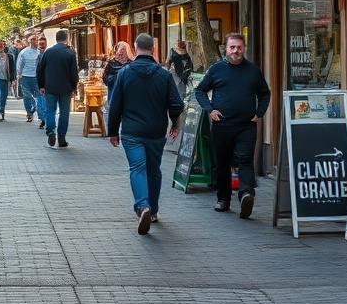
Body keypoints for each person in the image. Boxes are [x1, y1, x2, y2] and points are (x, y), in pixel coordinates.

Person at [106, 33, 183, 234]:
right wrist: (174, 121)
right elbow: (176, 104)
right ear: (153, 49)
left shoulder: (125, 73)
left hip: (132, 131)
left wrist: (113, 131)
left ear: (135, 47)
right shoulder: (164, 75)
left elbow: (115, 105)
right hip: (156, 131)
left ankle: (142, 206)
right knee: (154, 169)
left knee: (137, 168)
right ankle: (154, 210)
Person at [194, 32, 271, 219]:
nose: (236, 51)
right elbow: (200, 90)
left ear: (244, 48)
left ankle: (246, 194)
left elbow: (265, 93)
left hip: (246, 125)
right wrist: (210, 110)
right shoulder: (216, 69)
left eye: (239, 47)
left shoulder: (253, 70)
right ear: (226, 49)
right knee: (222, 163)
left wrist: (258, 113)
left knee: (245, 160)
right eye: (232, 47)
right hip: (222, 125)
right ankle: (224, 200)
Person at [36, 29, 79, 148]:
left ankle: (50, 132)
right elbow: (73, 72)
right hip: (65, 87)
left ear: (56, 39)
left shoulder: (48, 52)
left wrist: (41, 85)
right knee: (64, 112)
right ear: (66, 39)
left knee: (50, 110)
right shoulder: (70, 52)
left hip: (50, 87)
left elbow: (40, 69)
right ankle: (62, 137)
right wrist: (74, 87)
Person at [15, 35, 42, 122]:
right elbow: (20, 64)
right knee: (27, 95)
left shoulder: (39, 52)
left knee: (37, 95)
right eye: (34, 40)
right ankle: (29, 113)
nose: (36, 42)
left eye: (37, 40)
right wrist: (19, 74)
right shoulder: (24, 52)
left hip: (36, 76)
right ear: (30, 42)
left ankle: (38, 111)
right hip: (25, 76)